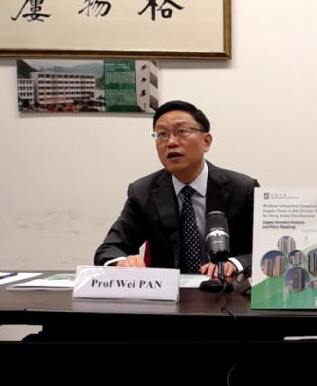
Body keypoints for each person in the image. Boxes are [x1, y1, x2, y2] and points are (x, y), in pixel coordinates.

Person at [94, 100, 259, 280]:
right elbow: (110, 249)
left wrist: (236, 263)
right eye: (162, 134)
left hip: (227, 290)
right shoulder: (142, 192)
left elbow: (270, 249)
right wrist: (122, 263)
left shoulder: (243, 189)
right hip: (168, 293)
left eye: (182, 132)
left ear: (206, 141)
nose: (171, 142)